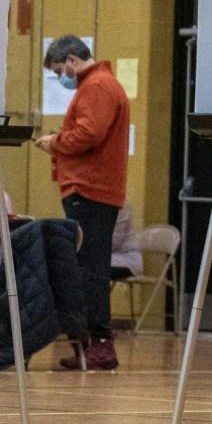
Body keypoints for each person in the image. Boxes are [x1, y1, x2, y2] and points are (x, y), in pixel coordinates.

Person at [36, 35, 130, 371]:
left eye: (61, 70)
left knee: (90, 270)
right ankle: (90, 344)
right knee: (89, 267)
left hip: (90, 189)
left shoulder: (97, 87)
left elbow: (89, 134)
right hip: (95, 189)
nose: (63, 77)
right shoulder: (103, 85)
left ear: (73, 61)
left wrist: (54, 142)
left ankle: (100, 344)